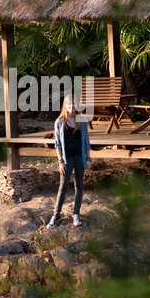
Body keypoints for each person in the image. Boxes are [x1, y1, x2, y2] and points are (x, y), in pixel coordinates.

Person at [47, 93, 91, 229]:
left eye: (73, 103)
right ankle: (56, 215)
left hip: (80, 157)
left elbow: (86, 141)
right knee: (63, 187)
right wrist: (60, 162)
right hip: (67, 159)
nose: (71, 106)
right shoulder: (59, 122)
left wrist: (88, 158)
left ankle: (76, 214)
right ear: (65, 106)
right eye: (69, 104)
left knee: (79, 186)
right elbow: (57, 145)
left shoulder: (82, 121)